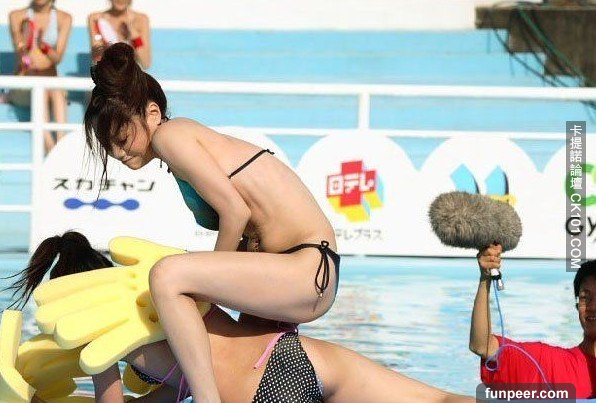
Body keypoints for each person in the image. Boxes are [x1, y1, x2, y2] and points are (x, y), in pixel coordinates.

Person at [84, 42, 341, 402]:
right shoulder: (179, 146)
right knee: (231, 371)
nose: (119, 154)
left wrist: (207, 283)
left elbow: (235, 211)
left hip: (306, 268)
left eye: (123, 139)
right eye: (111, 148)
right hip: (292, 272)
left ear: (153, 112)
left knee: (168, 275)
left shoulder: (170, 135)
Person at [6, 231, 473, 403]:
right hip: (288, 353)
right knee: (435, 398)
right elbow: (178, 384)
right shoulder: (149, 279)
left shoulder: (92, 330)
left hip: (250, 394)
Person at [469, 243, 596, 399]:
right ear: (577, 306)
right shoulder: (554, 365)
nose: (593, 306)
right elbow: (482, 346)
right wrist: (485, 279)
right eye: (585, 297)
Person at [8, 0, 72, 154]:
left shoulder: (64, 18)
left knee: (55, 91)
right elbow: (21, 55)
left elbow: (58, 58)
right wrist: (27, 41)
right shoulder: (16, 16)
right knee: (42, 90)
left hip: (50, 82)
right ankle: (51, 149)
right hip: (25, 82)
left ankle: (61, 144)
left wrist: (42, 45)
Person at [88, 0, 151, 69]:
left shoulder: (141, 19)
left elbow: (145, 63)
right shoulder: (96, 19)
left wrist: (133, 33)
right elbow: (97, 59)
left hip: (131, 72)